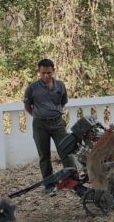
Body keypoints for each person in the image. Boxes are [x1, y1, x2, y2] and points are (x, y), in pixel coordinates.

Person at [23, 58, 76, 195]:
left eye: (48, 73)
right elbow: (27, 106)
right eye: (43, 73)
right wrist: (38, 115)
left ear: (53, 71)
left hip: (57, 123)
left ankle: (72, 180)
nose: (46, 76)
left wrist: (54, 112)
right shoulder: (32, 88)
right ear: (39, 72)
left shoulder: (60, 86)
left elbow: (63, 102)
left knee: (66, 150)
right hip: (40, 125)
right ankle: (49, 185)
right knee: (44, 155)